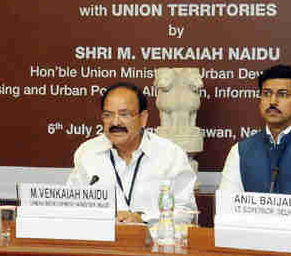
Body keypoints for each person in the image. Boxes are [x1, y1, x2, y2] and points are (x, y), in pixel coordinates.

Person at [66, 82, 197, 223]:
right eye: (108, 115)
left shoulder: (170, 155)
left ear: (143, 118)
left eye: (124, 114)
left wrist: (143, 220)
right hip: (103, 241)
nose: (115, 122)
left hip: (155, 241)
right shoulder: (88, 153)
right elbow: (71, 205)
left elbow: (186, 211)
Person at [218, 64, 291, 214]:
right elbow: (227, 209)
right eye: (267, 94)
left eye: (282, 94)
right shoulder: (240, 151)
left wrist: (250, 209)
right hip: (249, 237)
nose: (273, 101)